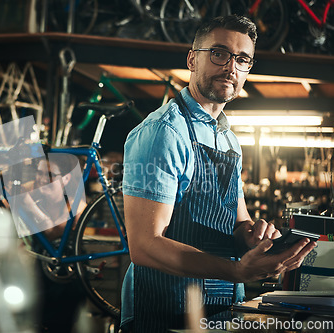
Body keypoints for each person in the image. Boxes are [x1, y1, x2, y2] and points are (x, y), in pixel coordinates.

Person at [120, 15, 317, 332]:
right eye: (219, 53)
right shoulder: (164, 132)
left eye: (242, 59)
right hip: (163, 311)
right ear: (192, 59)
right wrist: (237, 271)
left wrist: (257, 239)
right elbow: (144, 245)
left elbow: (239, 223)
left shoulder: (228, 140)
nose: (231, 68)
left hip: (221, 308)